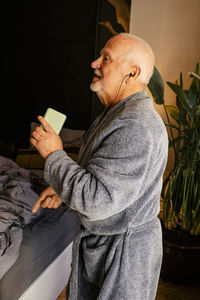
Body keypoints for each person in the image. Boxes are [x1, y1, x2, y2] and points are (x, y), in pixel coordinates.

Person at [30, 33, 168, 300]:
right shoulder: (116, 113)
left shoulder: (135, 126)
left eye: (106, 58)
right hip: (106, 248)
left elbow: (97, 200)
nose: (94, 63)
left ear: (131, 73)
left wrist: (54, 154)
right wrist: (62, 190)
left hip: (123, 258)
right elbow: (105, 180)